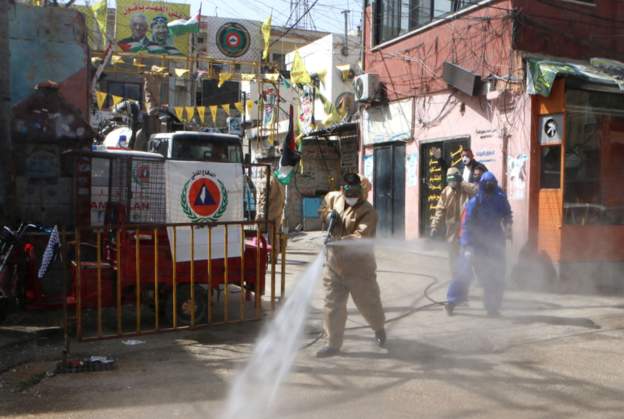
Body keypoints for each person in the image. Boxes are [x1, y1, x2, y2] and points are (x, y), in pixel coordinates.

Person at [317, 173, 386, 358]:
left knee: (368, 303)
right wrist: (327, 215)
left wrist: (338, 241)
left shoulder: (368, 211)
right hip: (334, 265)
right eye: (349, 192)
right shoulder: (334, 198)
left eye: (357, 192)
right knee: (332, 304)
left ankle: (379, 328)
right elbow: (322, 207)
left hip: (359, 268)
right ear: (342, 190)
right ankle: (333, 344)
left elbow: (361, 236)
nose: (353, 197)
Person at [445, 172, 512, 317]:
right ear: (482, 185)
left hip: (493, 241)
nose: (489, 188)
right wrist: (467, 245)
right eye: (486, 185)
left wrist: (508, 225)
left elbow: (507, 213)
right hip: (473, 242)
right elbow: (467, 224)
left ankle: (492, 308)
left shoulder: (500, 199)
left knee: (494, 275)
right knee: (464, 272)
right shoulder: (475, 201)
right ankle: (452, 301)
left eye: (491, 185)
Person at [430, 167, 477, 272]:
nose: (452, 183)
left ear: (458, 178)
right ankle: (455, 275)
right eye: (450, 181)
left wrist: (463, 183)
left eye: (454, 180)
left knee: (467, 252)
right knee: (452, 253)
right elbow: (439, 210)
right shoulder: (446, 192)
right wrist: (434, 226)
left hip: (465, 227)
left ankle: (468, 276)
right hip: (451, 228)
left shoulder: (465, 189)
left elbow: (476, 190)